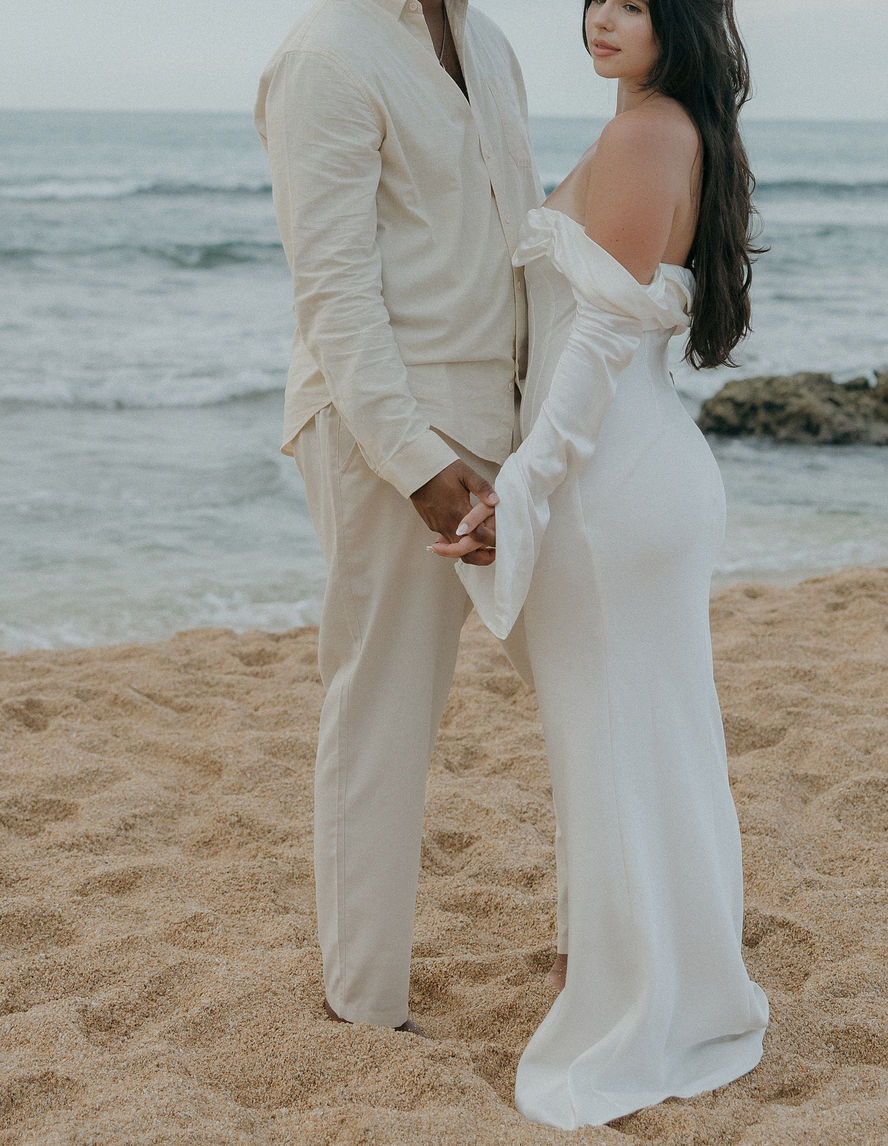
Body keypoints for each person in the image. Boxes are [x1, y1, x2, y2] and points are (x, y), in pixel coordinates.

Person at [430, 0, 770, 1128]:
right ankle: (636, 968)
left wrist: (518, 493)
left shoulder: (645, 133)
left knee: (615, 747)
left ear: (677, 17)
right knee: (646, 739)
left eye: (634, 1)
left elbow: (596, 344)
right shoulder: (670, 130)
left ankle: (640, 998)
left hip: (605, 487)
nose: (603, 17)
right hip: (638, 475)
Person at [253, 0, 541, 1033]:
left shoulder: (493, 45)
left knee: (590, 685)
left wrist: (549, 432)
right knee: (384, 708)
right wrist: (420, 462)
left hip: (512, 430)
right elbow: (331, 290)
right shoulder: (326, 54)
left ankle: (624, 961)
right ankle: (364, 1007)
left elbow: (520, 244)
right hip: (393, 436)